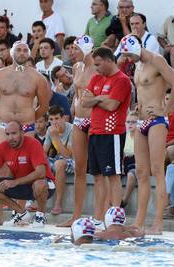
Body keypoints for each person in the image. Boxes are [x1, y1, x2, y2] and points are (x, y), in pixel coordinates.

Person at [117, 35, 174, 234]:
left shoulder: (157, 60)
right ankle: (139, 222)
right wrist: (137, 107)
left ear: (136, 48)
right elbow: (143, 90)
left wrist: (166, 111)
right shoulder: (137, 65)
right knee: (141, 173)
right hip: (141, 121)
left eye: (128, 54)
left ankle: (158, 224)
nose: (127, 59)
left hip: (156, 121)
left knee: (157, 171)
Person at [0, 41, 50, 224]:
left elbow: (43, 106)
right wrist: (2, 117)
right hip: (3, 126)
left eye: (25, 50)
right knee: (0, 170)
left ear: (29, 54)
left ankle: (19, 214)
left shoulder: (38, 78)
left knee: (24, 169)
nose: (21, 53)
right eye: (18, 50)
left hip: (27, 128)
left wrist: (27, 119)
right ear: (12, 52)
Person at [81, 46, 131, 229]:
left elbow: (112, 106)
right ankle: (98, 217)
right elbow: (84, 101)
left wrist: (97, 98)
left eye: (99, 64)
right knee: (98, 176)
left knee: (113, 175)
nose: (96, 68)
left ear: (109, 60)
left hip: (112, 133)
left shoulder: (122, 81)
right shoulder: (96, 77)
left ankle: (114, 217)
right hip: (95, 132)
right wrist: (101, 97)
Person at [0, 121, 56, 227]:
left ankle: (40, 216)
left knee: (39, 183)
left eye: (14, 133)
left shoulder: (33, 144)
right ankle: (21, 212)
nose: (10, 137)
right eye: (7, 134)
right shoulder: (3, 147)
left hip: (45, 185)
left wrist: (14, 182)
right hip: (21, 185)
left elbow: (41, 173)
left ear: (22, 133)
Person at [57, 35, 96, 227]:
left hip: (95, 120)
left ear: (87, 50)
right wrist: (73, 109)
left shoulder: (98, 67)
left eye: (77, 49)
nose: (73, 53)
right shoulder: (77, 67)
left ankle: (101, 215)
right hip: (80, 120)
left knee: (99, 171)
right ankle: (76, 215)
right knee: (80, 169)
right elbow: (78, 93)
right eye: (71, 49)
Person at [44, 105, 74, 215]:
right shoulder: (50, 130)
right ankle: (37, 200)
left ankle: (58, 203)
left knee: (59, 164)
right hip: (58, 160)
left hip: (73, 161)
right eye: (51, 119)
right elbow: (44, 153)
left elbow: (68, 155)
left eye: (56, 118)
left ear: (62, 118)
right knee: (40, 163)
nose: (54, 122)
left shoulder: (71, 129)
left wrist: (56, 137)